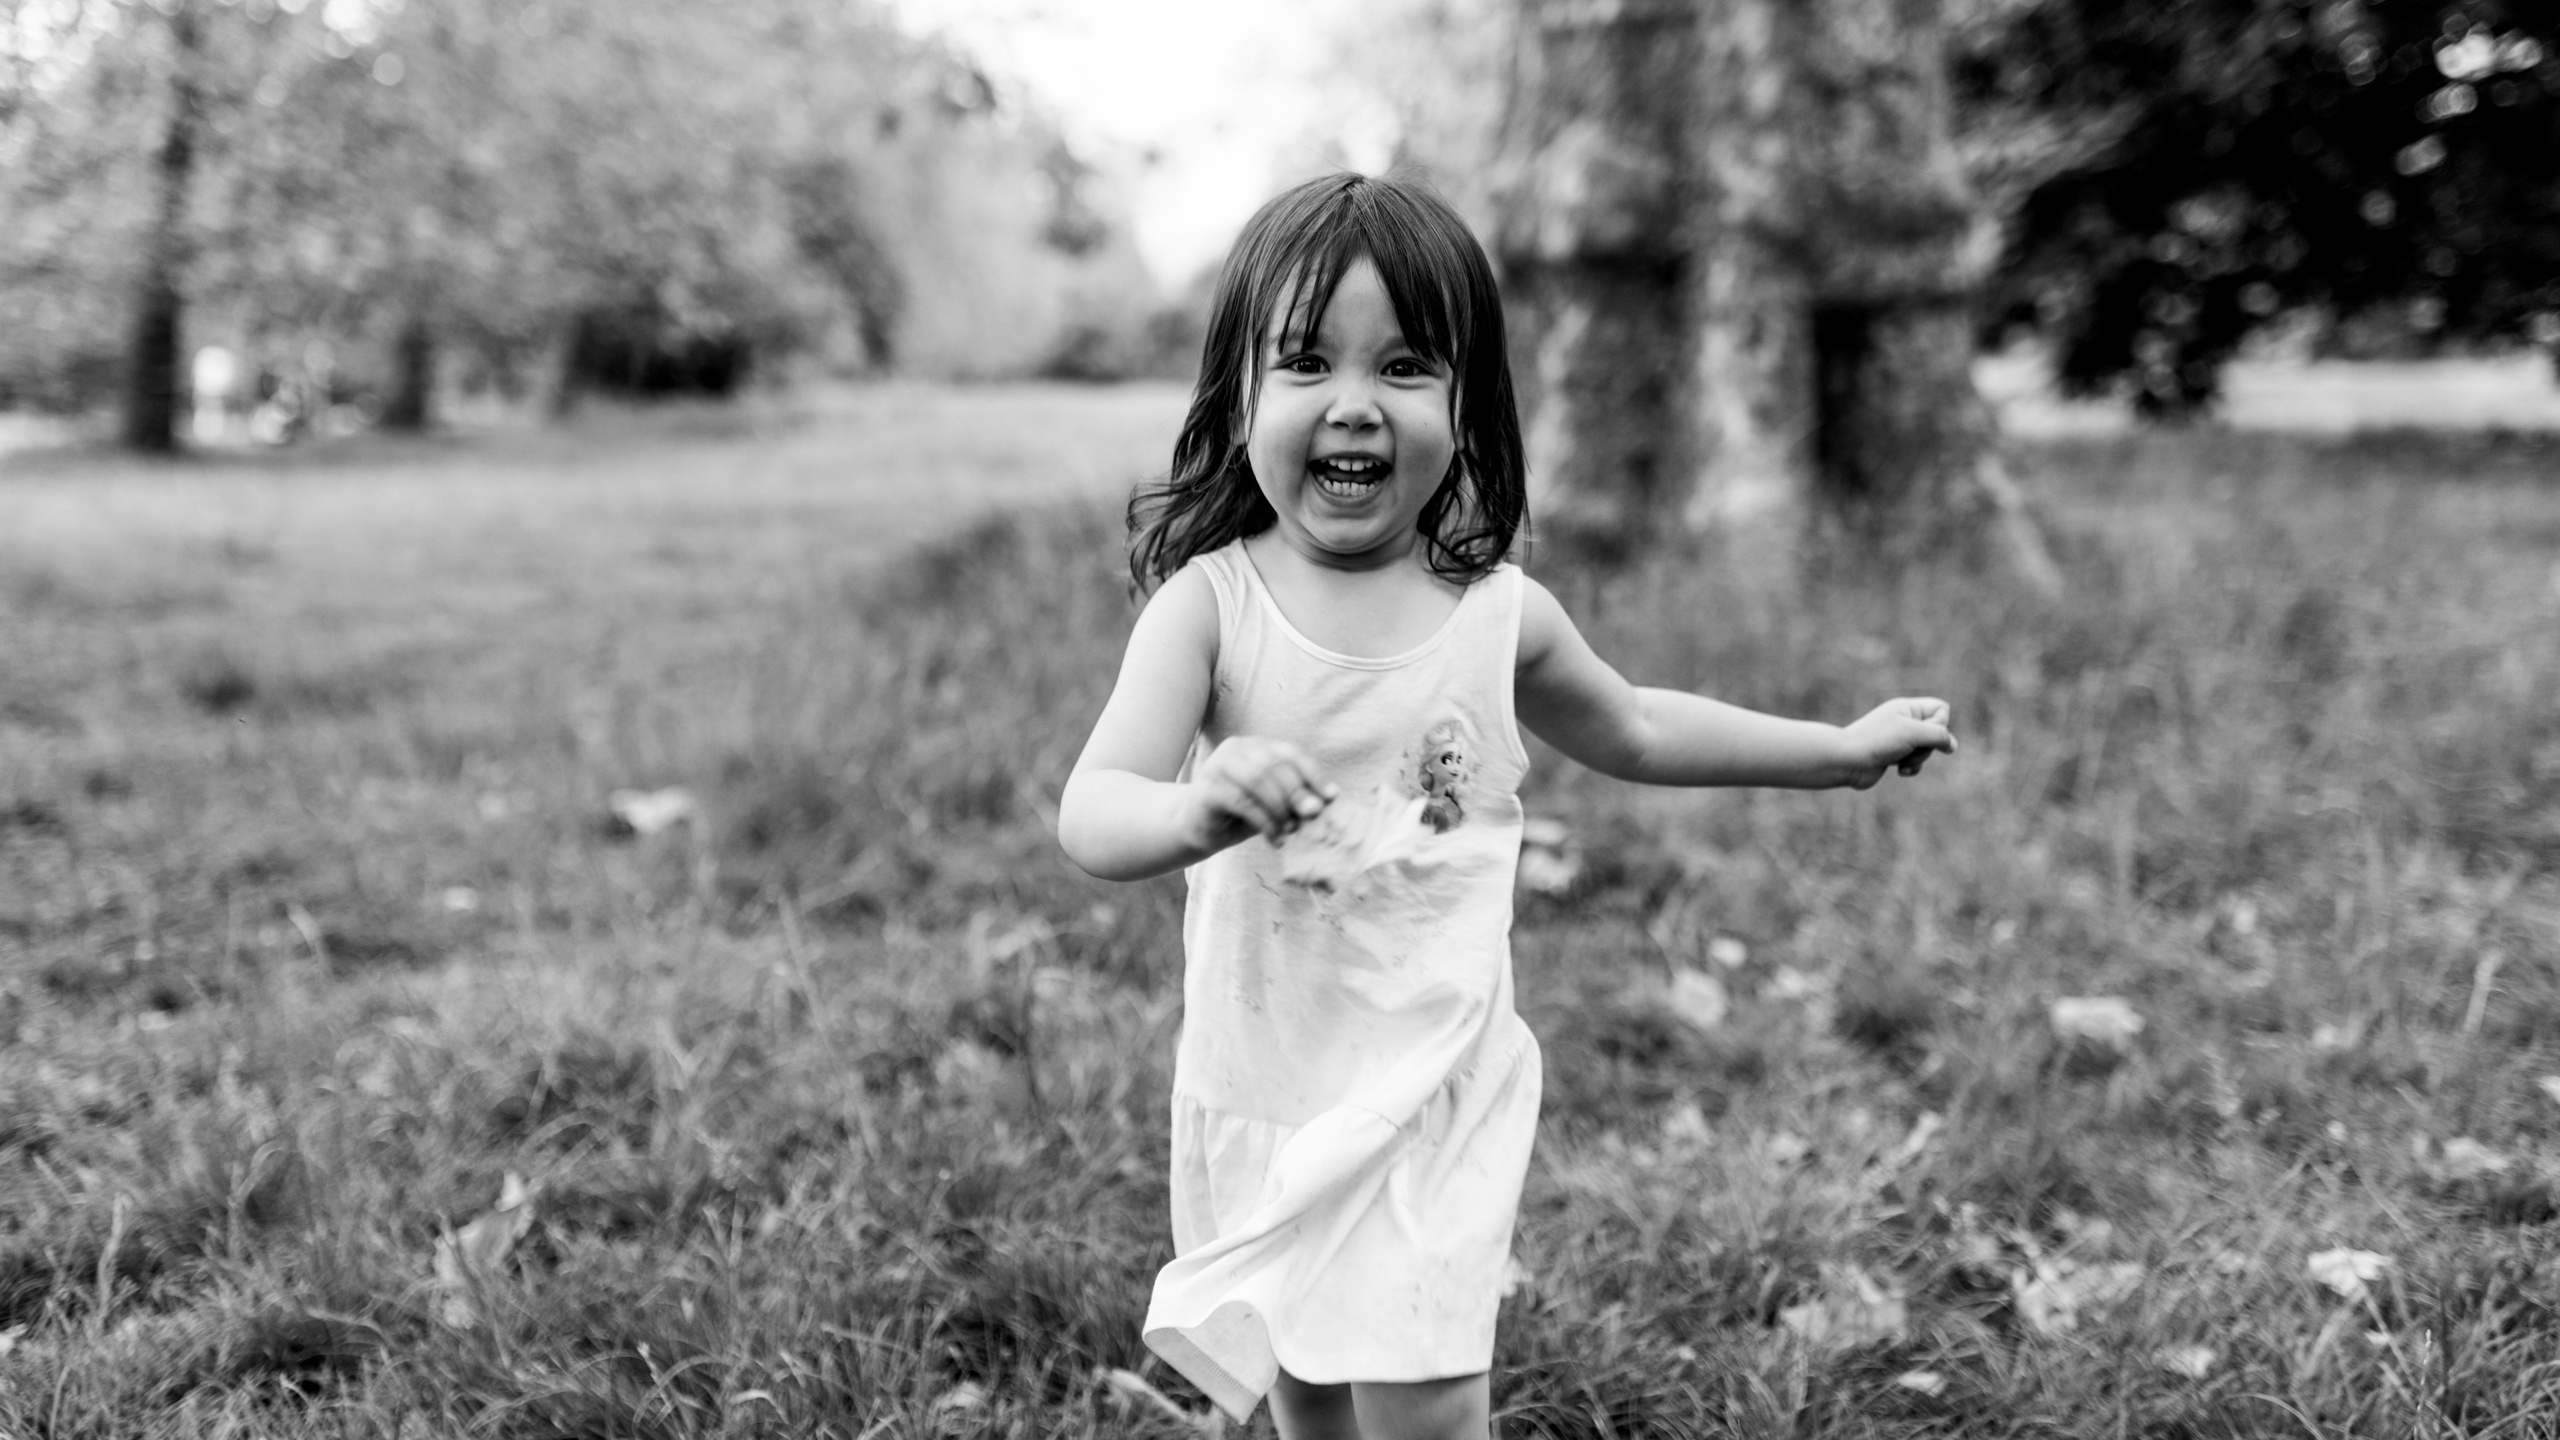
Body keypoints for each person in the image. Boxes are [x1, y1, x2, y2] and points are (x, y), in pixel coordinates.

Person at [1056, 173, 1956, 1440]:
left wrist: (1836, 748)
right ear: (1240, 394)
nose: (1354, 404)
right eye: (1306, 361)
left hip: (1437, 1076)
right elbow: (1092, 814)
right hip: (1269, 1075)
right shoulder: (1209, 610)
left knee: (1426, 1401)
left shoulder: (1496, 615)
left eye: (1407, 366)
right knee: (1308, 1380)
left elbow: (1636, 725)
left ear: (1467, 403)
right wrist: (1200, 807)